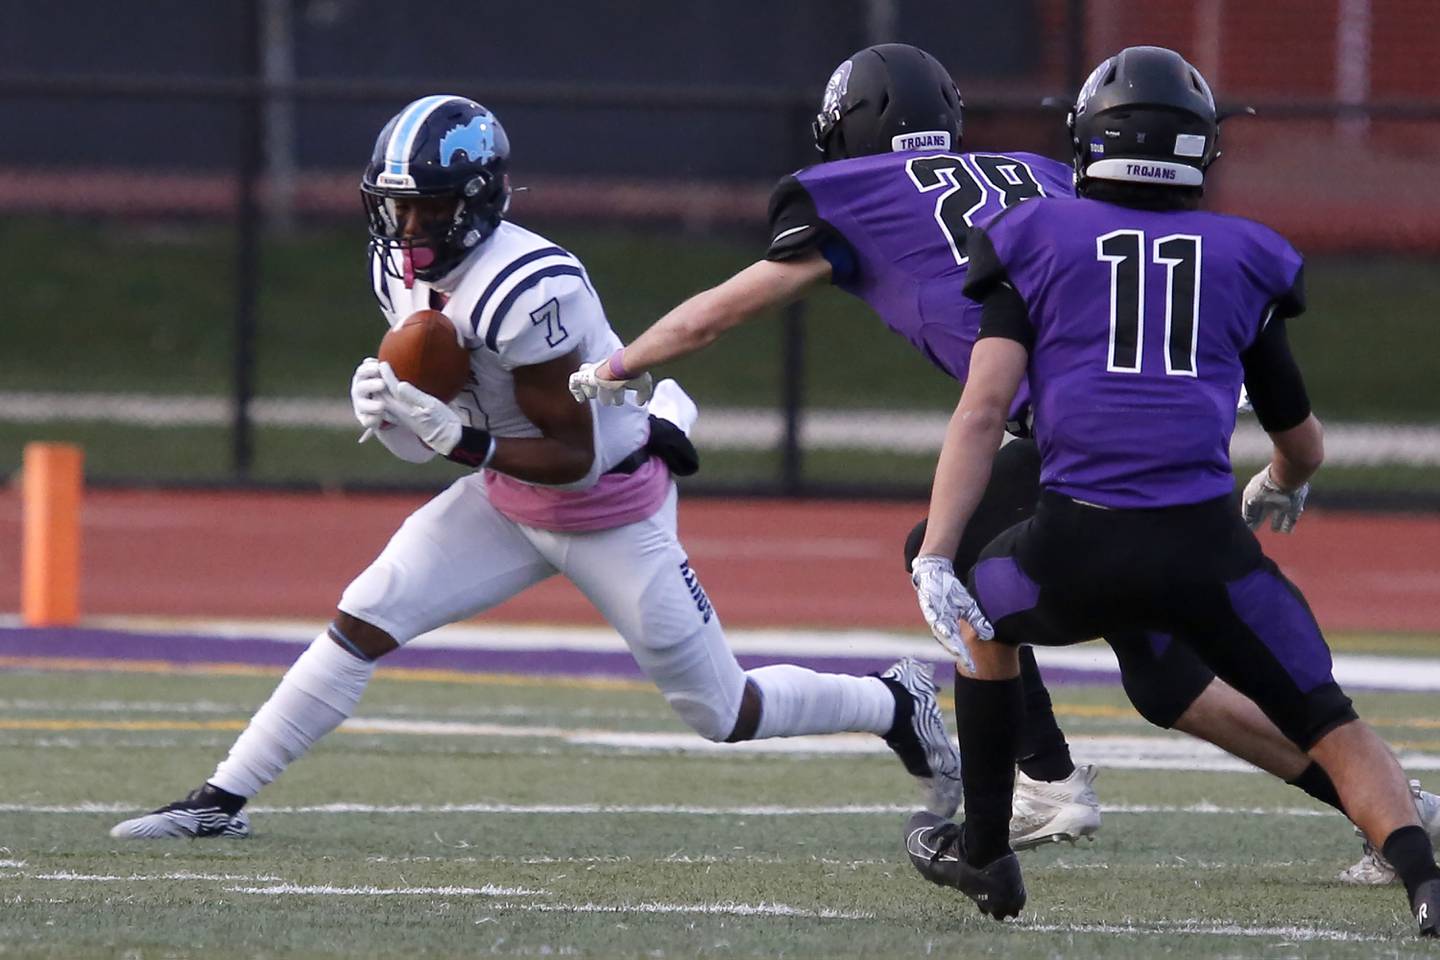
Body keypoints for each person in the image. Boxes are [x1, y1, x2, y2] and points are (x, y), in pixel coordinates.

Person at [567, 42, 1439, 861]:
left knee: (942, 564)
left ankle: (1045, 780)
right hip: (1143, 426)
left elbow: (719, 309)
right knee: (1167, 682)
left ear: (850, 129)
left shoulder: (852, 190)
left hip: (1061, 445)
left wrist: (617, 365)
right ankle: (1398, 815)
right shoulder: (1043, 172)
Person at [109, 95, 962, 841]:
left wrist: (455, 441)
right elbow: (442, 417)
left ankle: (893, 703)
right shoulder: (397, 268)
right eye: (397, 209)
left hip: (606, 507)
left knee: (722, 711)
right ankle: (222, 798)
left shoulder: (531, 286)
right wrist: (392, 412)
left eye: (430, 209)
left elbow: (572, 459)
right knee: (363, 617)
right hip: (504, 494)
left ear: (476, 203)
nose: (409, 231)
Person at [900, 47, 1440, 936]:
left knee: (978, 615)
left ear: (1090, 142)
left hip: (1070, 546)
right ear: (1197, 150)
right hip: (1208, 557)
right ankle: (1423, 879)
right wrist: (1279, 481)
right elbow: (1299, 439)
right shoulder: (1245, 256)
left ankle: (988, 851)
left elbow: (981, 410)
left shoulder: (1036, 237)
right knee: (1326, 719)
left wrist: (933, 553)